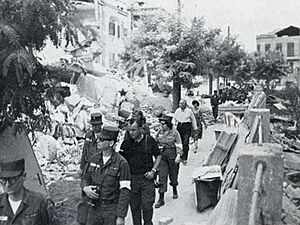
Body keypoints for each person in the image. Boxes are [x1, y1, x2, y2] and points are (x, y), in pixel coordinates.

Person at [79, 125, 131, 225]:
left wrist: (121, 216)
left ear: (111, 143)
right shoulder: (94, 159)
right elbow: (85, 177)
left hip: (111, 210)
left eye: (102, 139)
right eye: (98, 138)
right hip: (94, 209)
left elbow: (125, 192)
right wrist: (85, 188)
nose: (98, 141)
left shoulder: (121, 163)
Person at [120, 117, 161, 225]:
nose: (131, 132)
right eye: (129, 130)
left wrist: (153, 170)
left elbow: (158, 156)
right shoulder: (126, 143)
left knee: (147, 206)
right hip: (132, 180)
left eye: (133, 130)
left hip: (146, 179)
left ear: (140, 129)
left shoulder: (149, 141)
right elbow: (121, 162)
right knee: (134, 207)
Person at [0, 158, 59, 225]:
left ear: (24, 176)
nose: (8, 184)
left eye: (12, 179)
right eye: (3, 181)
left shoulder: (41, 203)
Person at [154, 114, 182, 208]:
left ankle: (174, 188)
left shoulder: (175, 132)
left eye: (164, 124)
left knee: (173, 174)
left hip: (172, 155)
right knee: (162, 176)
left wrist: (178, 155)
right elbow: (155, 142)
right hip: (162, 155)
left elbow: (179, 144)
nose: (162, 126)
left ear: (168, 124)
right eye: (161, 124)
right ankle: (161, 198)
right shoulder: (160, 132)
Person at [172, 99, 197, 165]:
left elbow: (193, 119)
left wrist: (195, 127)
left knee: (185, 143)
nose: (180, 105)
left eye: (182, 104)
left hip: (187, 126)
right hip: (179, 126)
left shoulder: (189, 111)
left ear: (185, 104)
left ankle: (184, 158)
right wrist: (173, 127)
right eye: (180, 103)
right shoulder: (177, 111)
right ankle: (179, 155)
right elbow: (174, 119)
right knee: (178, 142)